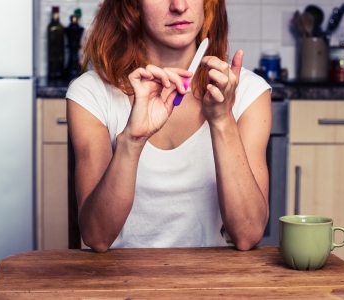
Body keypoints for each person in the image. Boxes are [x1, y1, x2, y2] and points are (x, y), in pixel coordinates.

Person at [66, 0, 272, 253]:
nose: (179, 5)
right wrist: (132, 139)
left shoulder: (248, 90)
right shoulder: (91, 92)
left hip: (209, 282)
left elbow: (247, 235)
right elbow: (96, 237)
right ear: (132, 5)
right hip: (118, 282)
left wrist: (222, 120)